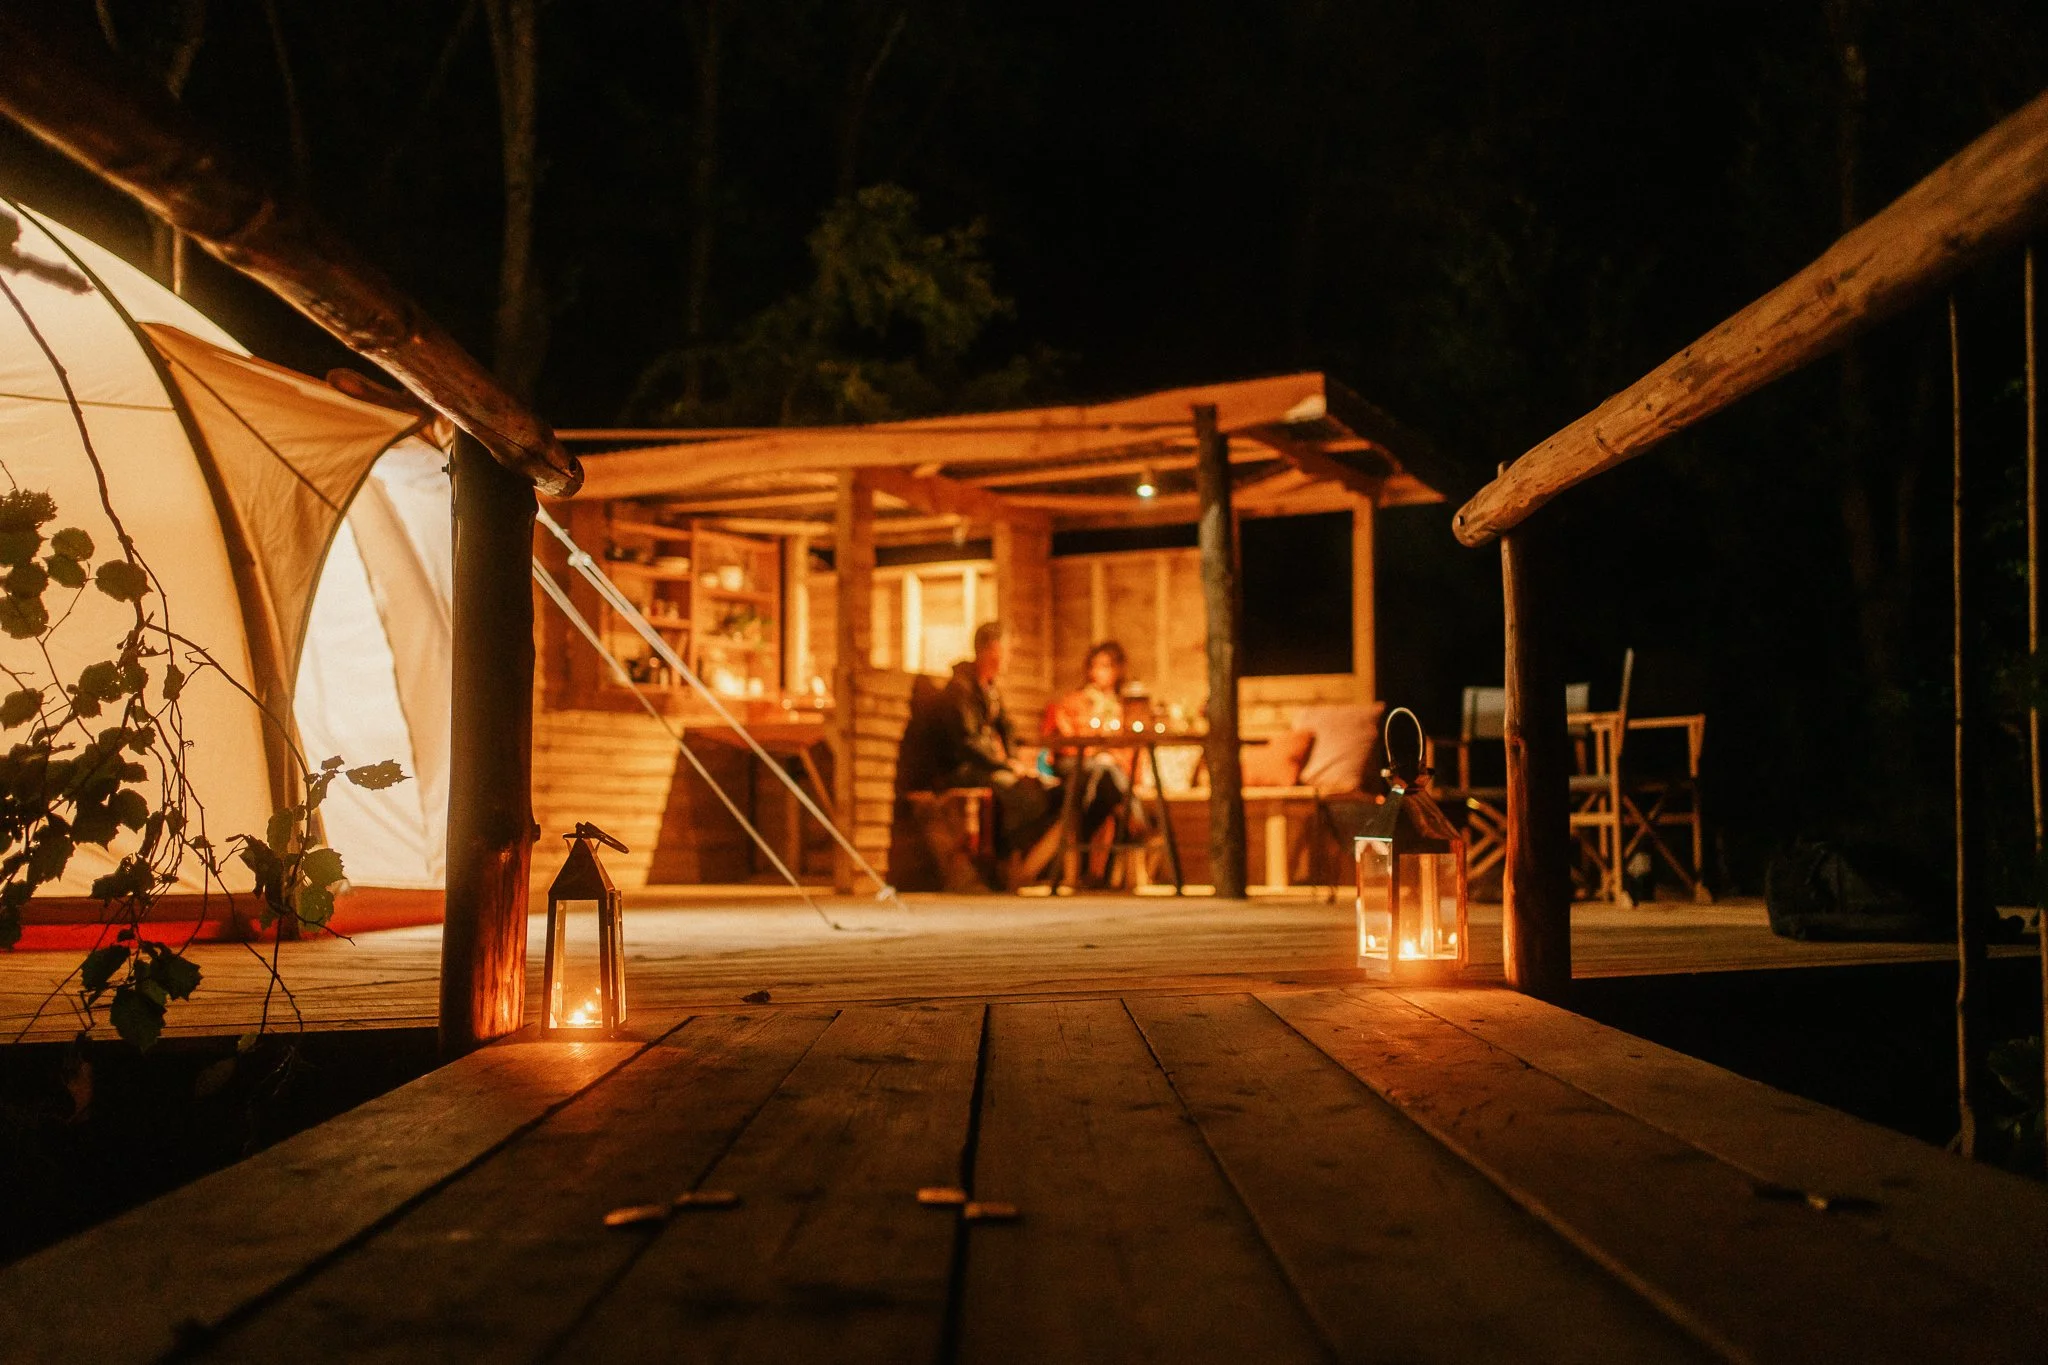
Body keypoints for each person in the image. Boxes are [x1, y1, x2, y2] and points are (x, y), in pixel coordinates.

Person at [908, 620, 1062, 887]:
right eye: (1007, 649)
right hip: (956, 769)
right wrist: (1004, 765)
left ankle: (1005, 855)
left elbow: (1007, 727)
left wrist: (1012, 759)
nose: (1010, 657)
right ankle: (1001, 858)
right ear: (992, 649)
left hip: (982, 766)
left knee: (1033, 790)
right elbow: (967, 743)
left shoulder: (989, 689)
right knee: (1018, 792)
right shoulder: (961, 689)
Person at [1046, 641, 1146, 885]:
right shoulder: (1074, 702)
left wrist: (1113, 758)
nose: (1101, 672)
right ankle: (1136, 822)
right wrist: (1097, 753)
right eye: (1097, 666)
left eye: (1108, 666)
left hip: (1109, 777)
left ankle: (1094, 874)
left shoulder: (1125, 707)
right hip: (1078, 768)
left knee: (1106, 784)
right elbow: (1065, 741)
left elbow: (1135, 749)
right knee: (1104, 774)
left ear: (1118, 670)